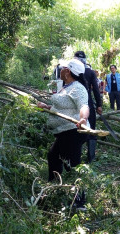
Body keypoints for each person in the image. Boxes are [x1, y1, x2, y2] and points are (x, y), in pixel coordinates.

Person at [37, 58, 89, 209]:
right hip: (64, 132)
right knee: (54, 156)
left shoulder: (78, 88)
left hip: (73, 131)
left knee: (71, 165)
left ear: (68, 71)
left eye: (62, 67)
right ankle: (54, 189)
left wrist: (83, 119)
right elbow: (63, 107)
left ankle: (79, 202)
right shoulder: (67, 86)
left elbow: (84, 106)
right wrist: (47, 107)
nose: (60, 69)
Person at [74, 51, 102, 163]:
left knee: (76, 129)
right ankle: (91, 158)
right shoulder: (90, 72)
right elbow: (96, 89)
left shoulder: (71, 71)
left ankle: (76, 157)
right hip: (87, 103)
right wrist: (99, 105)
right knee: (91, 129)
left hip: (75, 103)